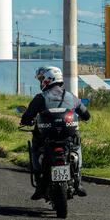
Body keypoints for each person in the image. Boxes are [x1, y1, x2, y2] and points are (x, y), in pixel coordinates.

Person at [20, 66, 91, 201]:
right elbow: (86, 114)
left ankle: (40, 183)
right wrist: (83, 117)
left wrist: (25, 120)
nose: (41, 81)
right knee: (76, 148)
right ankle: (78, 181)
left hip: (45, 139)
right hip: (68, 138)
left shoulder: (40, 98)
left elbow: (28, 115)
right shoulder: (71, 96)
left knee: (35, 149)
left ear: (48, 79)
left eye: (42, 79)